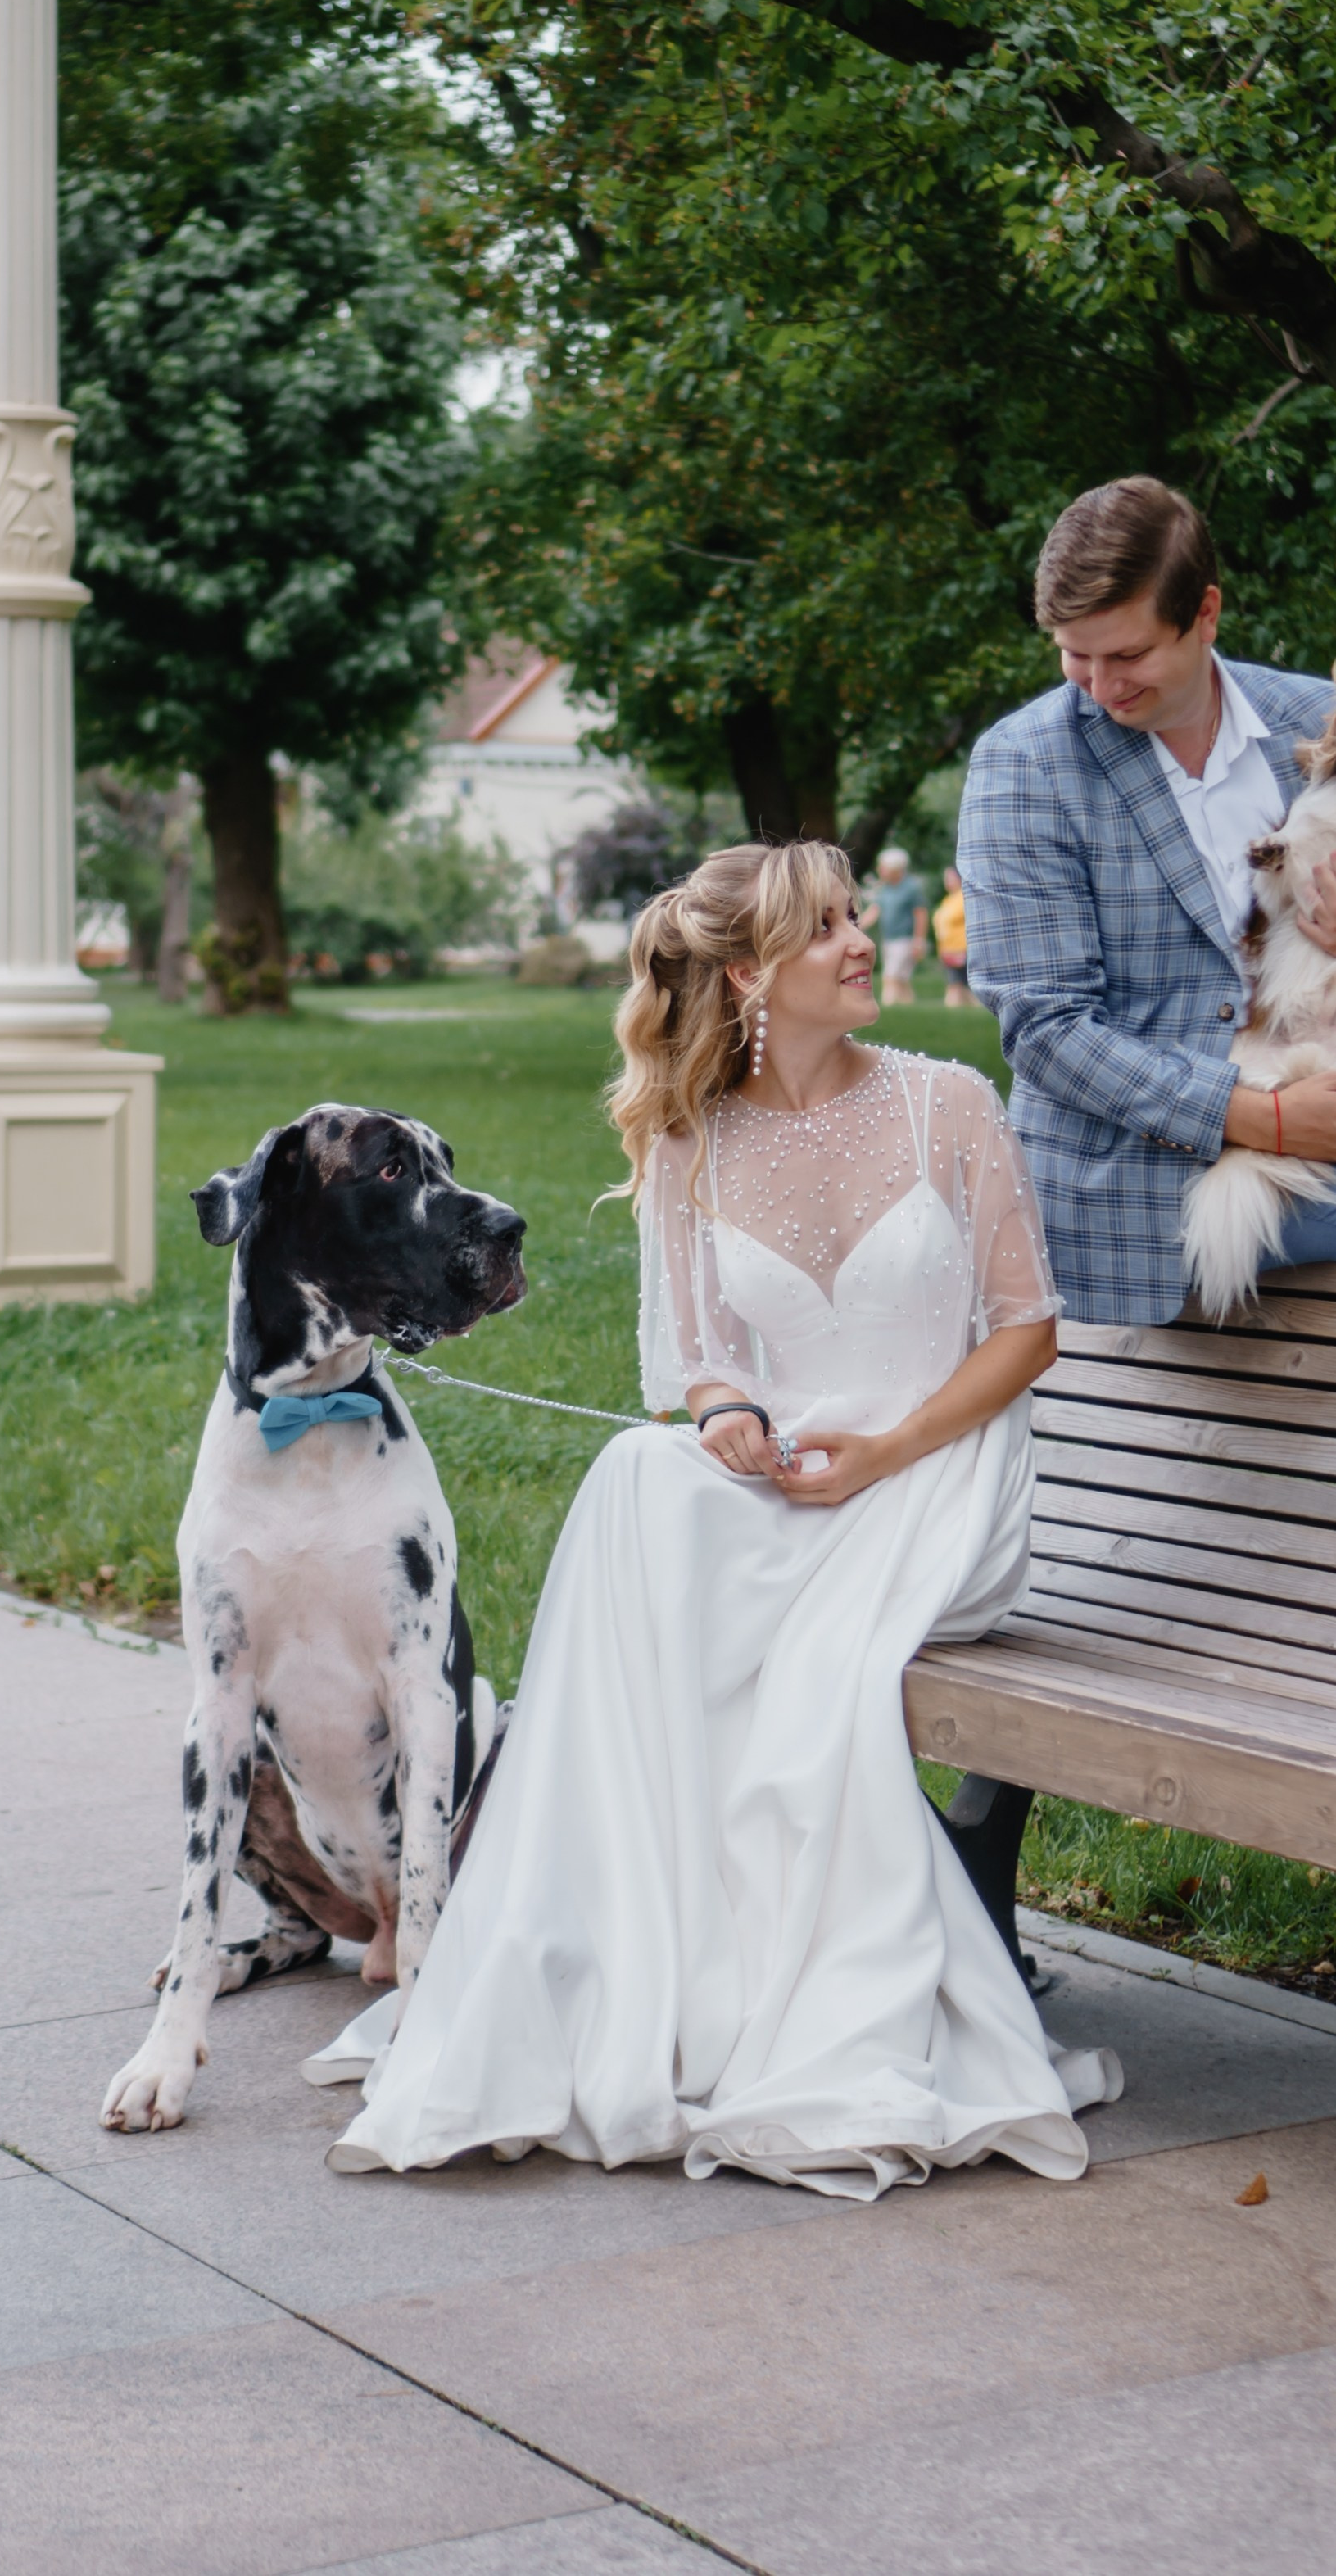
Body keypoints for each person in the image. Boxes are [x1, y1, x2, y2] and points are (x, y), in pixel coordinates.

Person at [309, 840, 1121, 2196]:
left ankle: (809, 1997)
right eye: (831, 929)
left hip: (938, 1471)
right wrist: (733, 1413)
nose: (866, 941)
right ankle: (626, 1963)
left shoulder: (949, 1105)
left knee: (799, 1675)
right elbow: (700, 1360)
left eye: (861, 916)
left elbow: (1027, 1331)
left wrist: (887, 1450)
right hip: (787, 1479)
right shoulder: (692, 1144)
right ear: (749, 975)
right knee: (643, 1476)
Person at [956, 475, 1336, 1326]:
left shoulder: (1323, 720)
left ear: (1205, 612)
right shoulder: (1020, 764)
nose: (1096, 684)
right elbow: (1046, 1028)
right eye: (1072, 653)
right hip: (1127, 1189)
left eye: (1126, 654)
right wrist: (1264, 1120)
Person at [868, 844, 929, 1004]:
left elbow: (921, 915)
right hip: (889, 939)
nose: (879, 870)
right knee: (901, 980)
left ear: (896, 868)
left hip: (905, 939)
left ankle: (886, 1007)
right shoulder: (884, 889)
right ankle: (910, 1010)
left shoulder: (911, 888)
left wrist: (919, 940)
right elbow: (874, 912)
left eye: (883, 867)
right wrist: (854, 925)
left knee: (891, 976)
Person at [934, 864, 972, 1007]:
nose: (947, 881)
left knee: (960, 985)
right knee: (957, 985)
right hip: (949, 949)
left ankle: (954, 1007)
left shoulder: (965, 897)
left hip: (963, 948)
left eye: (950, 878)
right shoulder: (947, 900)